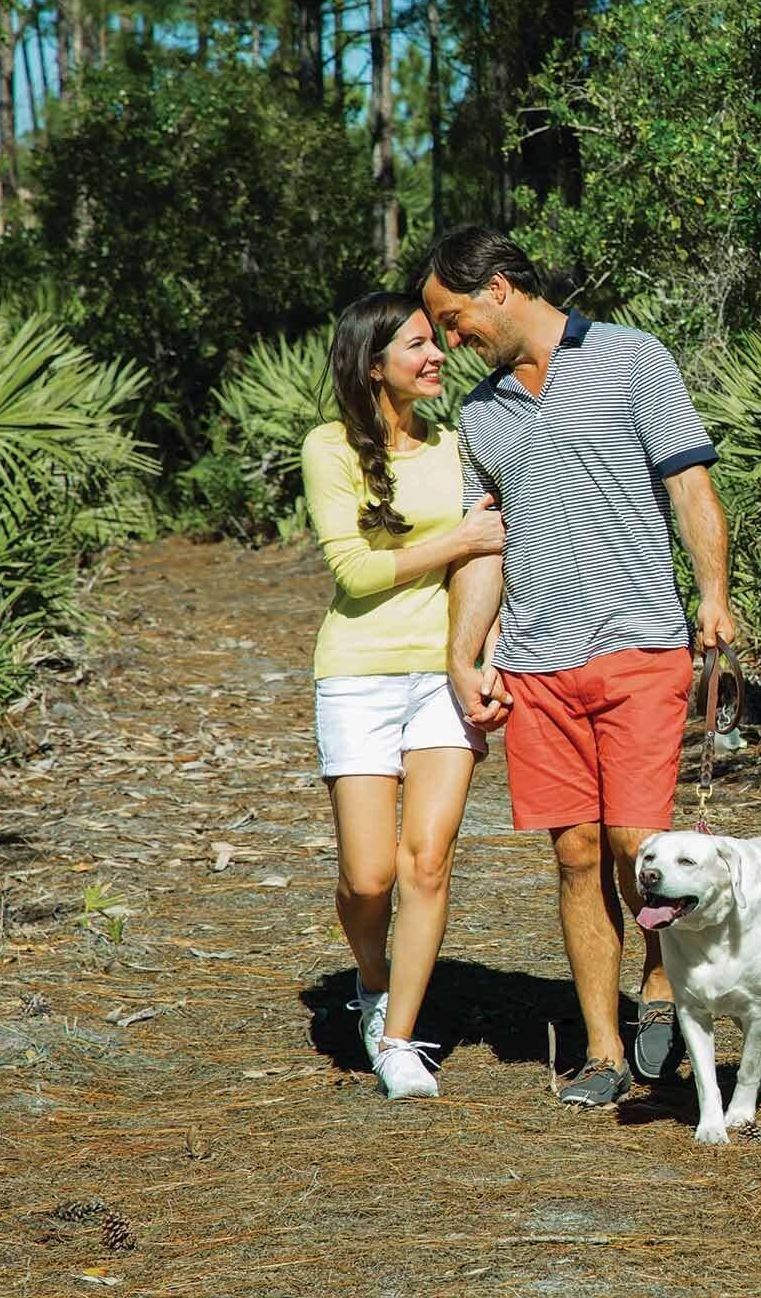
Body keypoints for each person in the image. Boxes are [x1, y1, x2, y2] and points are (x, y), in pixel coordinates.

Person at [421, 227, 736, 1109]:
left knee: (639, 844)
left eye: (454, 318)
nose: (451, 340)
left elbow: (690, 486)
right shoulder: (479, 413)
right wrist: (462, 656)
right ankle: (601, 1050)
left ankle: (663, 992)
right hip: (535, 665)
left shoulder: (634, 358)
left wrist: (713, 593)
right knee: (574, 853)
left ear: (497, 289)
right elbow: (487, 547)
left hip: (638, 643)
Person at [301, 291, 506, 1099]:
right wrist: (456, 537)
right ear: (372, 363)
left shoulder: (457, 447)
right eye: (417, 345)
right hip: (356, 672)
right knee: (369, 878)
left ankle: (398, 1039)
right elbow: (352, 571)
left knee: (427, 862)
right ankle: (374, 980)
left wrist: (483, 657)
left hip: (442, 679)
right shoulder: (328, 448)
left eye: (437, 342)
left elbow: (485, 563)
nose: (437, 356)